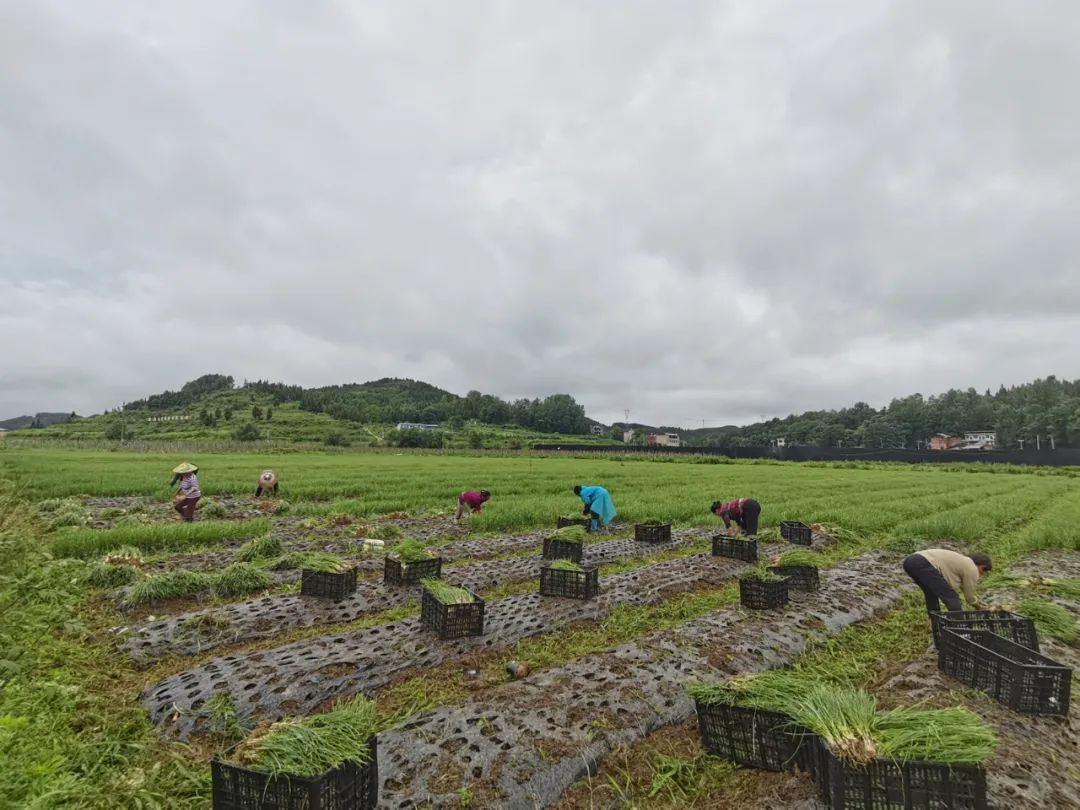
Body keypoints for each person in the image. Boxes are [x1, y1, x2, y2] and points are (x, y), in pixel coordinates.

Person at [903, 549, 992, 615]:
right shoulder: (972, 567)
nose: (982, 574)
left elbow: (964, 588)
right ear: (981, 566)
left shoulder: (963, 562)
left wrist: (980, 602)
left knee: (931, 594)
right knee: (952, 597)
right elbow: (969, 596)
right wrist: (978, 606)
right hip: (922, 562)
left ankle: (934, 623)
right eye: (984, 570)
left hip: (910, 562)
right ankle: (959, 627)